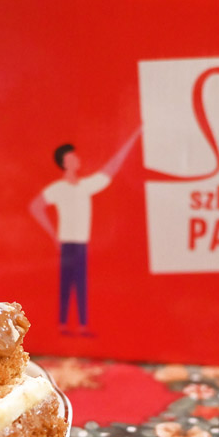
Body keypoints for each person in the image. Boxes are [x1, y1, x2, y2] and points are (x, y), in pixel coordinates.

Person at [30, 129, 140, 336]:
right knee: (66, 283)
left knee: (81, 283)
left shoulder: (84, 186)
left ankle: (82, 325)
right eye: (72, 158)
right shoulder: (58, 188)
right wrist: (53, 234)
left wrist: (131, 139)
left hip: (82, 242)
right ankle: (63, 325)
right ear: (65, 163)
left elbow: (109, 170)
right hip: (67, 242)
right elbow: (36, 206)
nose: (77, 160)